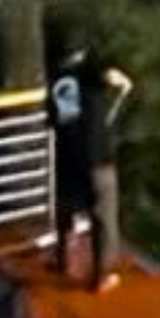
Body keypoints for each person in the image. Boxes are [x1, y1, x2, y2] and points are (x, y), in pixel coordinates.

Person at [47, 48, 133, 292]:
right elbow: (109, 76)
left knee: (66, 204)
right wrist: (123, 83)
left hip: (68, 155)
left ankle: (62, 258)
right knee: (103, 215)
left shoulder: (57, 78)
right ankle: (102, 274)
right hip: (97, 158)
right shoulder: (87, 73)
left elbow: (56, 118)